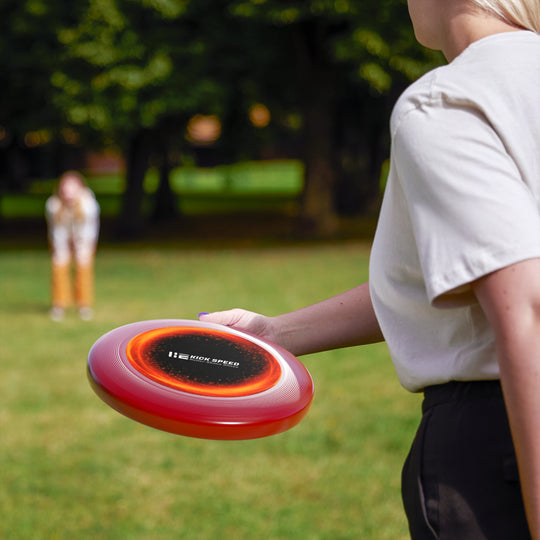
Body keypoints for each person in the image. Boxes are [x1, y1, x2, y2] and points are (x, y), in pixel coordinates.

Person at [199, 1, 540, 538]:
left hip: (501, 444)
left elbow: (526, 307)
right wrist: (273, 333)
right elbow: (452, 277)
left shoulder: (450, 101)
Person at [45, 170, 100, 321]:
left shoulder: (89, 205)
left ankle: (84, 305)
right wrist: (62, 249)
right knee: (59, 266)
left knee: (83, 267)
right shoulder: (53, 205)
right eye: (65, 188)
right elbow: (56, 230)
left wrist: (81, 246)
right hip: (61, 238)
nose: (68, 192)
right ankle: (59, 304)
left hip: (84, 239)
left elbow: (89, 230)